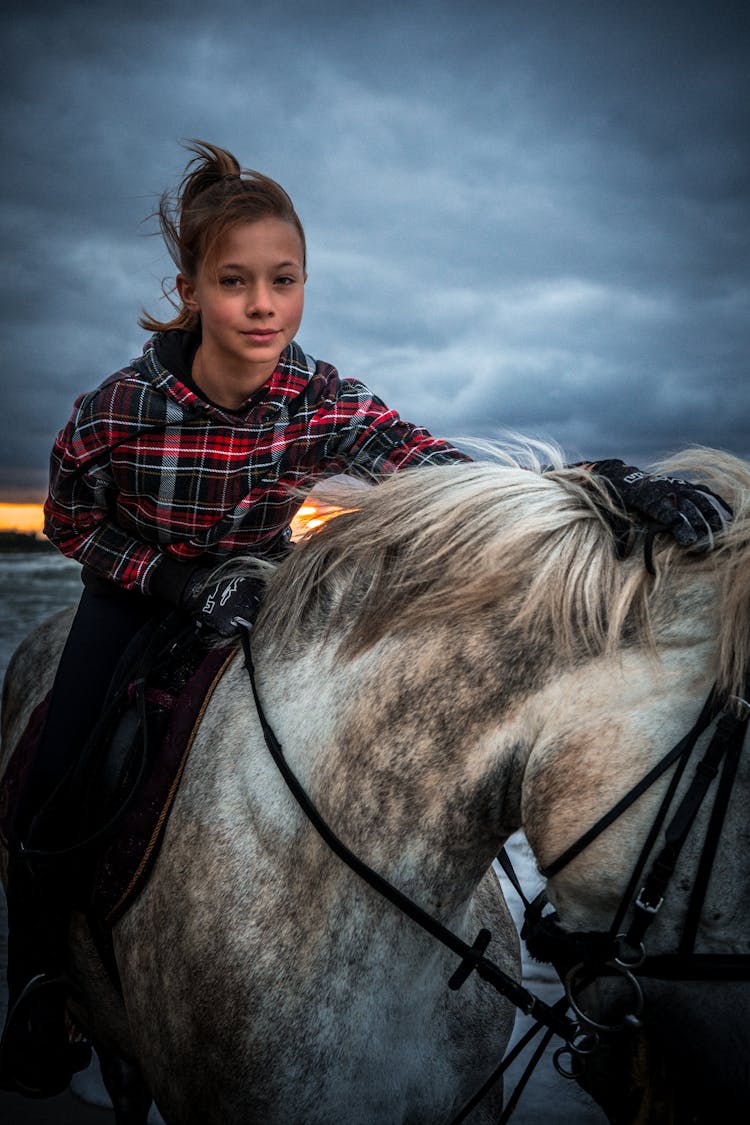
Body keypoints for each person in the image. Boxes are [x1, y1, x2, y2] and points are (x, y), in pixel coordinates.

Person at [0, 141, 730, 1099]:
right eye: (234, 281)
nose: (263, 305)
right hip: (135, 589)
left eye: (284, 279)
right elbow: (67, 520)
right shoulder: (118, 411)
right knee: (54, 770)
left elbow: (428, 455)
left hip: (264, 579)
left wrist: (597, 482)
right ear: (189, 290)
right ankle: (41, 982)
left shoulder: (318, 394)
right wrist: (172, 583)